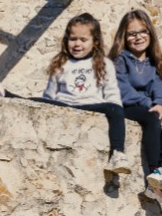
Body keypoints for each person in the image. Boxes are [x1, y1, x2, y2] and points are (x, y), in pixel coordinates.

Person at [39, 12, 130, 182]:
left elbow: (112, 94)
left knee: (115, 108)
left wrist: (116, 111)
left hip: (90, 105)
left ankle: (118, 153)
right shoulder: (60, 63)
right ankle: (3, 93)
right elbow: (49, 95)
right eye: (73, 39)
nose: (77, 44)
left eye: (83, 40)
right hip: (63, 104)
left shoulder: (104, 63)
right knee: (32, 100)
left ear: (94, 41)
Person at [113, 8, 162, 201]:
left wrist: (161, 105)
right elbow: (123, 89)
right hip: (126, 105)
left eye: (143, 31)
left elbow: (160, 90)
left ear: (150, 34)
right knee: (154, 117)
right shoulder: (120, 60)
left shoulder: (151, 65)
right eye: (132, 33)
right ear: (124, 36)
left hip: (148, 108)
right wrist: (150, 105)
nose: (138, 37)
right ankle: (154, 174)